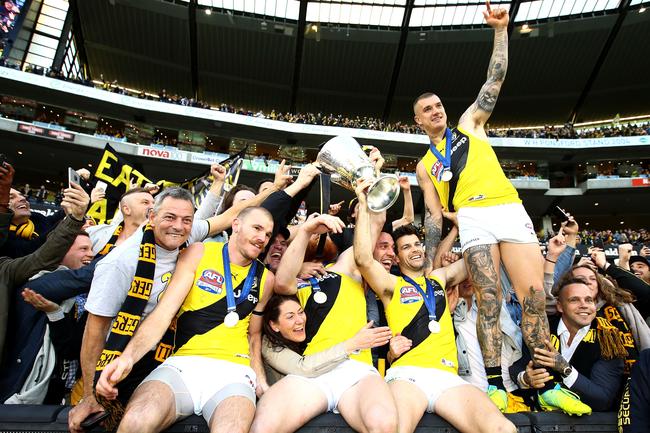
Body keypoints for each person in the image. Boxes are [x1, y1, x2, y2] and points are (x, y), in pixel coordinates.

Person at [413, 1, 555, 412]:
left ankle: (545, 381)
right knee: (488, 298)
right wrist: (428, 262)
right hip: (472, 216)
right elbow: (433, 216)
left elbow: (495, 80)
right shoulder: (426, 166)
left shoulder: (469, 125)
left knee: (531, 296)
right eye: (427, 110)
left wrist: (499, 31)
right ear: (419, 122)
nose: (436, 111)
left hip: (509, 208)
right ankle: (494, 385)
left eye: (438, 105)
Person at [95, 206, 277, 433]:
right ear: (236, 225)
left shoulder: (266, 278)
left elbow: (254, 334)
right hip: (182, 365)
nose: (262, 238)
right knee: (136, 421)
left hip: (235, 372)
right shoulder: (199, 252)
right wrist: (127, 358)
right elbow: (164, 313)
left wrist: (260, 379)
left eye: (268, 234)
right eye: (257, 228)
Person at [353, 179, 515, 433]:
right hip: (407, 375)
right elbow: (362, 259)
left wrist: (466, 225)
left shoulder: (439, 278)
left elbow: (475, 260)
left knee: (502, 429)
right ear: (396, 256)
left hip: (448, 376)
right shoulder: (392, 285)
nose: (415, 249)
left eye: (417, 244)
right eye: (406, 247)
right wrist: (364, 205)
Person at [251, 213, 397, 433]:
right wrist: (306, 230)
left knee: (383, 424)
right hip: (312, 371)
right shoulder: (290, 291)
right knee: (264, 425)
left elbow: (374, 224)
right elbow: (282, 280)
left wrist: (364, 199)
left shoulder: (345, 270)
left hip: (357, 371)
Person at [511, 276, 625, 413]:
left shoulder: (608, 339)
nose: (584, 305)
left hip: (587, 423)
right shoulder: (541, 328)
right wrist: (525, 378)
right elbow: (518, 365)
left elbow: (602, 400)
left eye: (589, 300)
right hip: (540, 420)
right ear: (560, 306)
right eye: (574, 300)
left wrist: (564, 368)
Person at [260, 294, 391, 385]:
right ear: (274, 325)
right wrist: (352, 344)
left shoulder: (308, 333)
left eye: (300, 312)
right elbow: (302, 368)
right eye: (290, 317)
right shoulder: (268, 344)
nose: (300, 320)